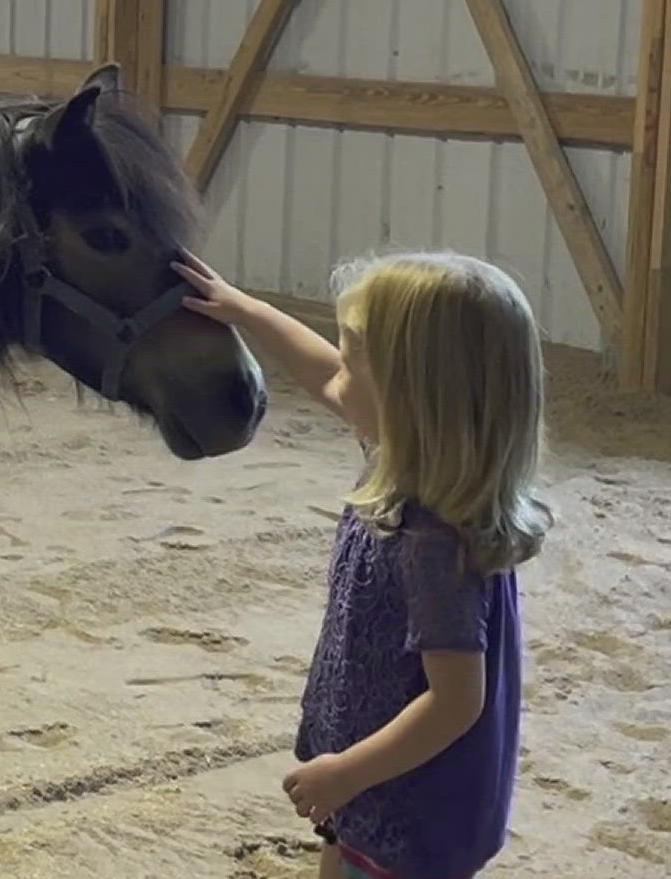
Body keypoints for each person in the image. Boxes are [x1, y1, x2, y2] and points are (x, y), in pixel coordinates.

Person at [173, 249, 551, 879]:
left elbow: (456, 702)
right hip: (372, 773)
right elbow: (321, 372)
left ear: (411, 393)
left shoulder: (434, 539)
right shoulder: (398, 450)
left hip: (409, 796)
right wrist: (246, 310)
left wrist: (346, 772)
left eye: (354, 356)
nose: (337, 368)